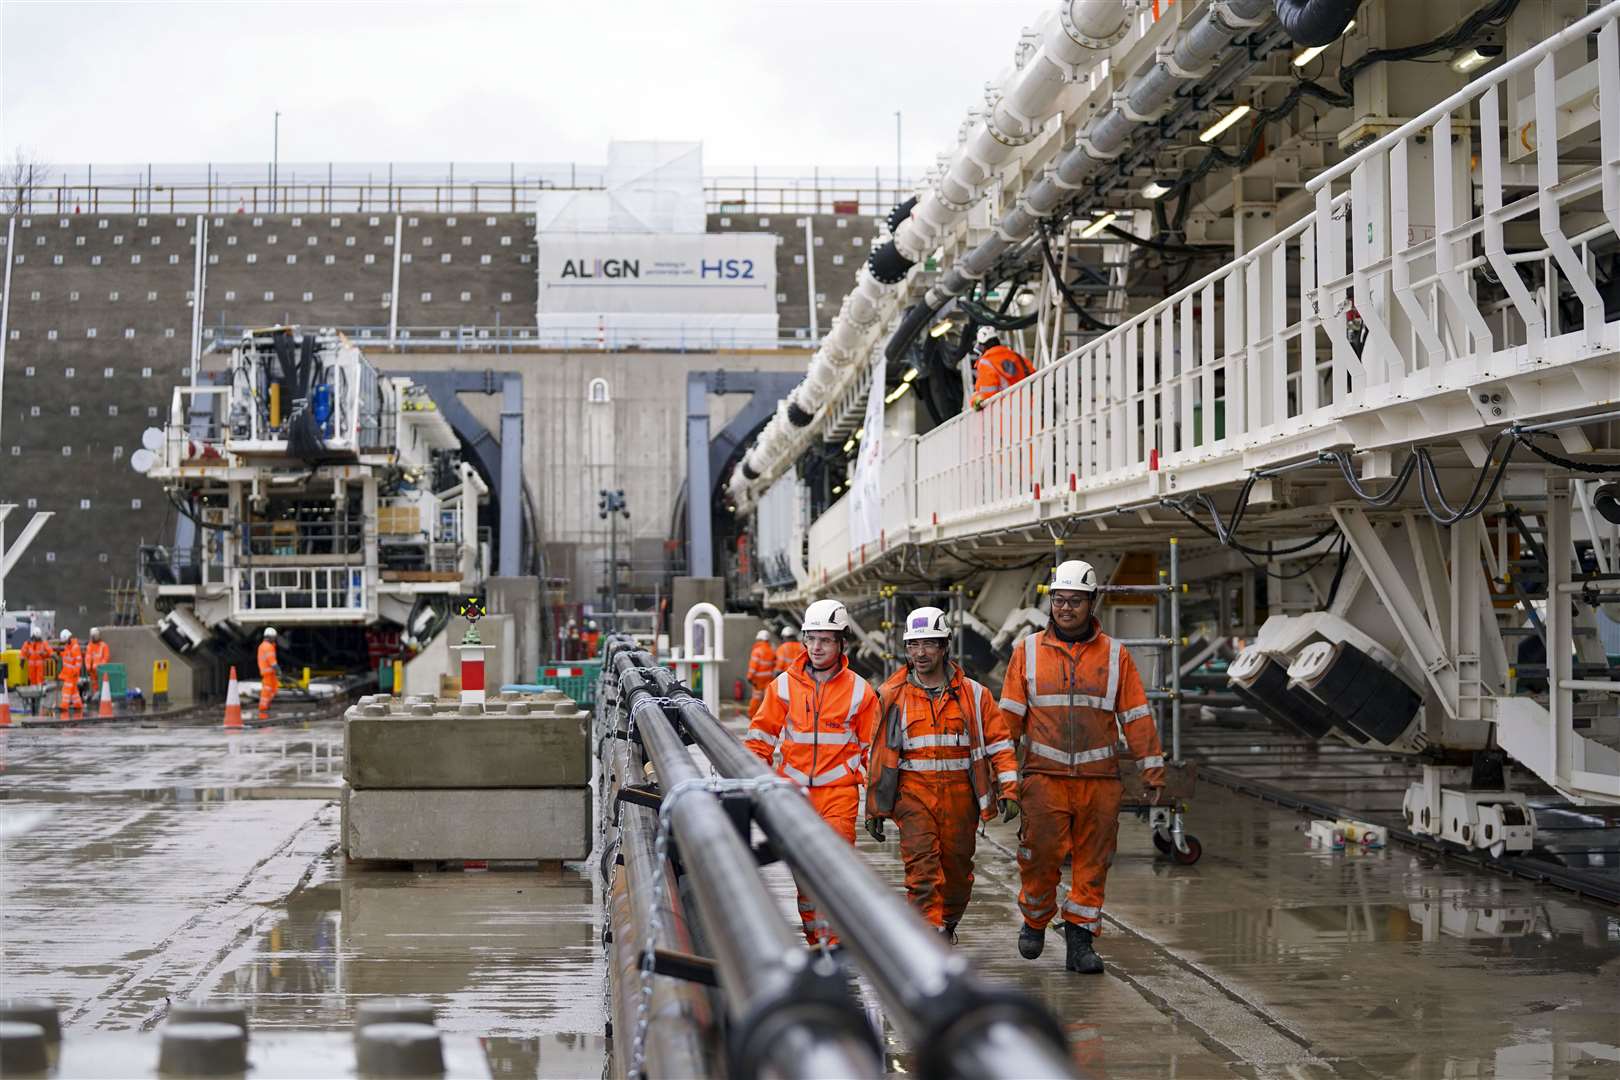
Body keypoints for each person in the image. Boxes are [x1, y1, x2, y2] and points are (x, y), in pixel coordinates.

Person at [998, 559, 1165, 975]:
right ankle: (1036, 921)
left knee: (1093, 862)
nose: (1065, 608)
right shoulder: (1028, 652)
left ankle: (1080, 941)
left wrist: (1153, 771)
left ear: (1092, 603)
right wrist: (1000, 773)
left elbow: (1137, 716)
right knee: (1038, 857)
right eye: (1059, 599)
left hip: (1099, 782)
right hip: (1044, 780)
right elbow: (1008, 720)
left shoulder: (1115, 655)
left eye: (1074, 601)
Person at [865, 606, 1020, 943]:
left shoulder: (975, 696)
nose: (920, 653)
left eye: (928, 644)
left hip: (960, 799)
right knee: (921, 871)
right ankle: (927, 937)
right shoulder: (892, 697)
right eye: (913, 645)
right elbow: (878, 755)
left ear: (945, 645)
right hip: (913, 798)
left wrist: (1009, 789)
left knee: (957, 872)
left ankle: (946, 923)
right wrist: (875, 807)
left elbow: (1000, 744)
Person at [745, 599, 878, 948]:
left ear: (841, 644)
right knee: (805, 878)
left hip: (839, 796)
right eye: (812, 638)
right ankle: (817, 940)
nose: (817, 647)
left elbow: (873, 752)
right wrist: (746, 787)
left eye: (826, 640)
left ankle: (833, 945)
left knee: (835, 873)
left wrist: (880, 803)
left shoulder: (860, 692)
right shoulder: (783, 687)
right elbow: (759, 739)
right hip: (794, 799)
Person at [969, 326, 1035, 410]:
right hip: (1030, 409)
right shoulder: (1018, 357)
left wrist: (975, 400)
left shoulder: (986, 362)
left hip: (1006, 413)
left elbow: (986, 395)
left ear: (983, 346)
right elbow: (1034, 378)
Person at [745, 629, 777, 718]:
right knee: (768, 698)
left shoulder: (757, 651)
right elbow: (774, 664)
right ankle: (768, 716)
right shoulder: (772, 650)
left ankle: (752, 715)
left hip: (758, 680)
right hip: (769, 678)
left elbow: (753, 666)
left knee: (756, 698)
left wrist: (749, 677)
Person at [56, 629, 84, 717]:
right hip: (68, 673)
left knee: (66, 690)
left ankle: (64, 706)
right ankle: (78, 705)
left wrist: (75, 672)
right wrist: (59, 653)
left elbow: (78, 661)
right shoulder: (68, 646)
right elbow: (66, 655)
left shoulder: (75, 647)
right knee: (74, 692)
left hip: (72, 674)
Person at [257, 627, 281, 721]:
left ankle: (266, 706)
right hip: (268, 672)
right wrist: (278, 669)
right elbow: (272, 661)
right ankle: (263, 708)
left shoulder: (264, 646)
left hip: (269, 672)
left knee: (273, 688)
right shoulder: (268, 647)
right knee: (267, 689)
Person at [84, 627, 110, 696]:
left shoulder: (103, 646)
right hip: (92, 670)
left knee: (101, 683)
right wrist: (88, 666)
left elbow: (106, 658)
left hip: (100, 670)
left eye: (94, 637)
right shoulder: (90, 646)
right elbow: (88, 657)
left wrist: (100, 666)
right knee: (94, 683)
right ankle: (96, 695)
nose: (93, 638)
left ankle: (101, 695)